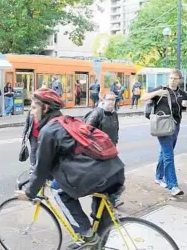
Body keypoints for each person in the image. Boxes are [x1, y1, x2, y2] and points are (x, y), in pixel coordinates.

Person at [15, 88, 125, 248]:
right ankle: (94, 242)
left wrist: (29, 192)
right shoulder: (68, 120)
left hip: (99, 175)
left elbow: (42, 168)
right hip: (115, 169)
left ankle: (86, 235)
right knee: (101, 222)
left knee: (58, 190)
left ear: (45, 108)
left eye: (33, 107)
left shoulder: (49, 131)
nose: (31, 113)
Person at [140, 69, 187, 196]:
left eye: (175, 78)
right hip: (162, 125)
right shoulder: (161, 89)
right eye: (170, 78)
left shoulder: (182, 94)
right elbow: (143, 98)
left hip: (175, 126)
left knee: (164, 153)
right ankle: (172, 186)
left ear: (179, 80)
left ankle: (158, 177)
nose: (172, 80)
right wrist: (157, 93)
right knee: (169, 155)